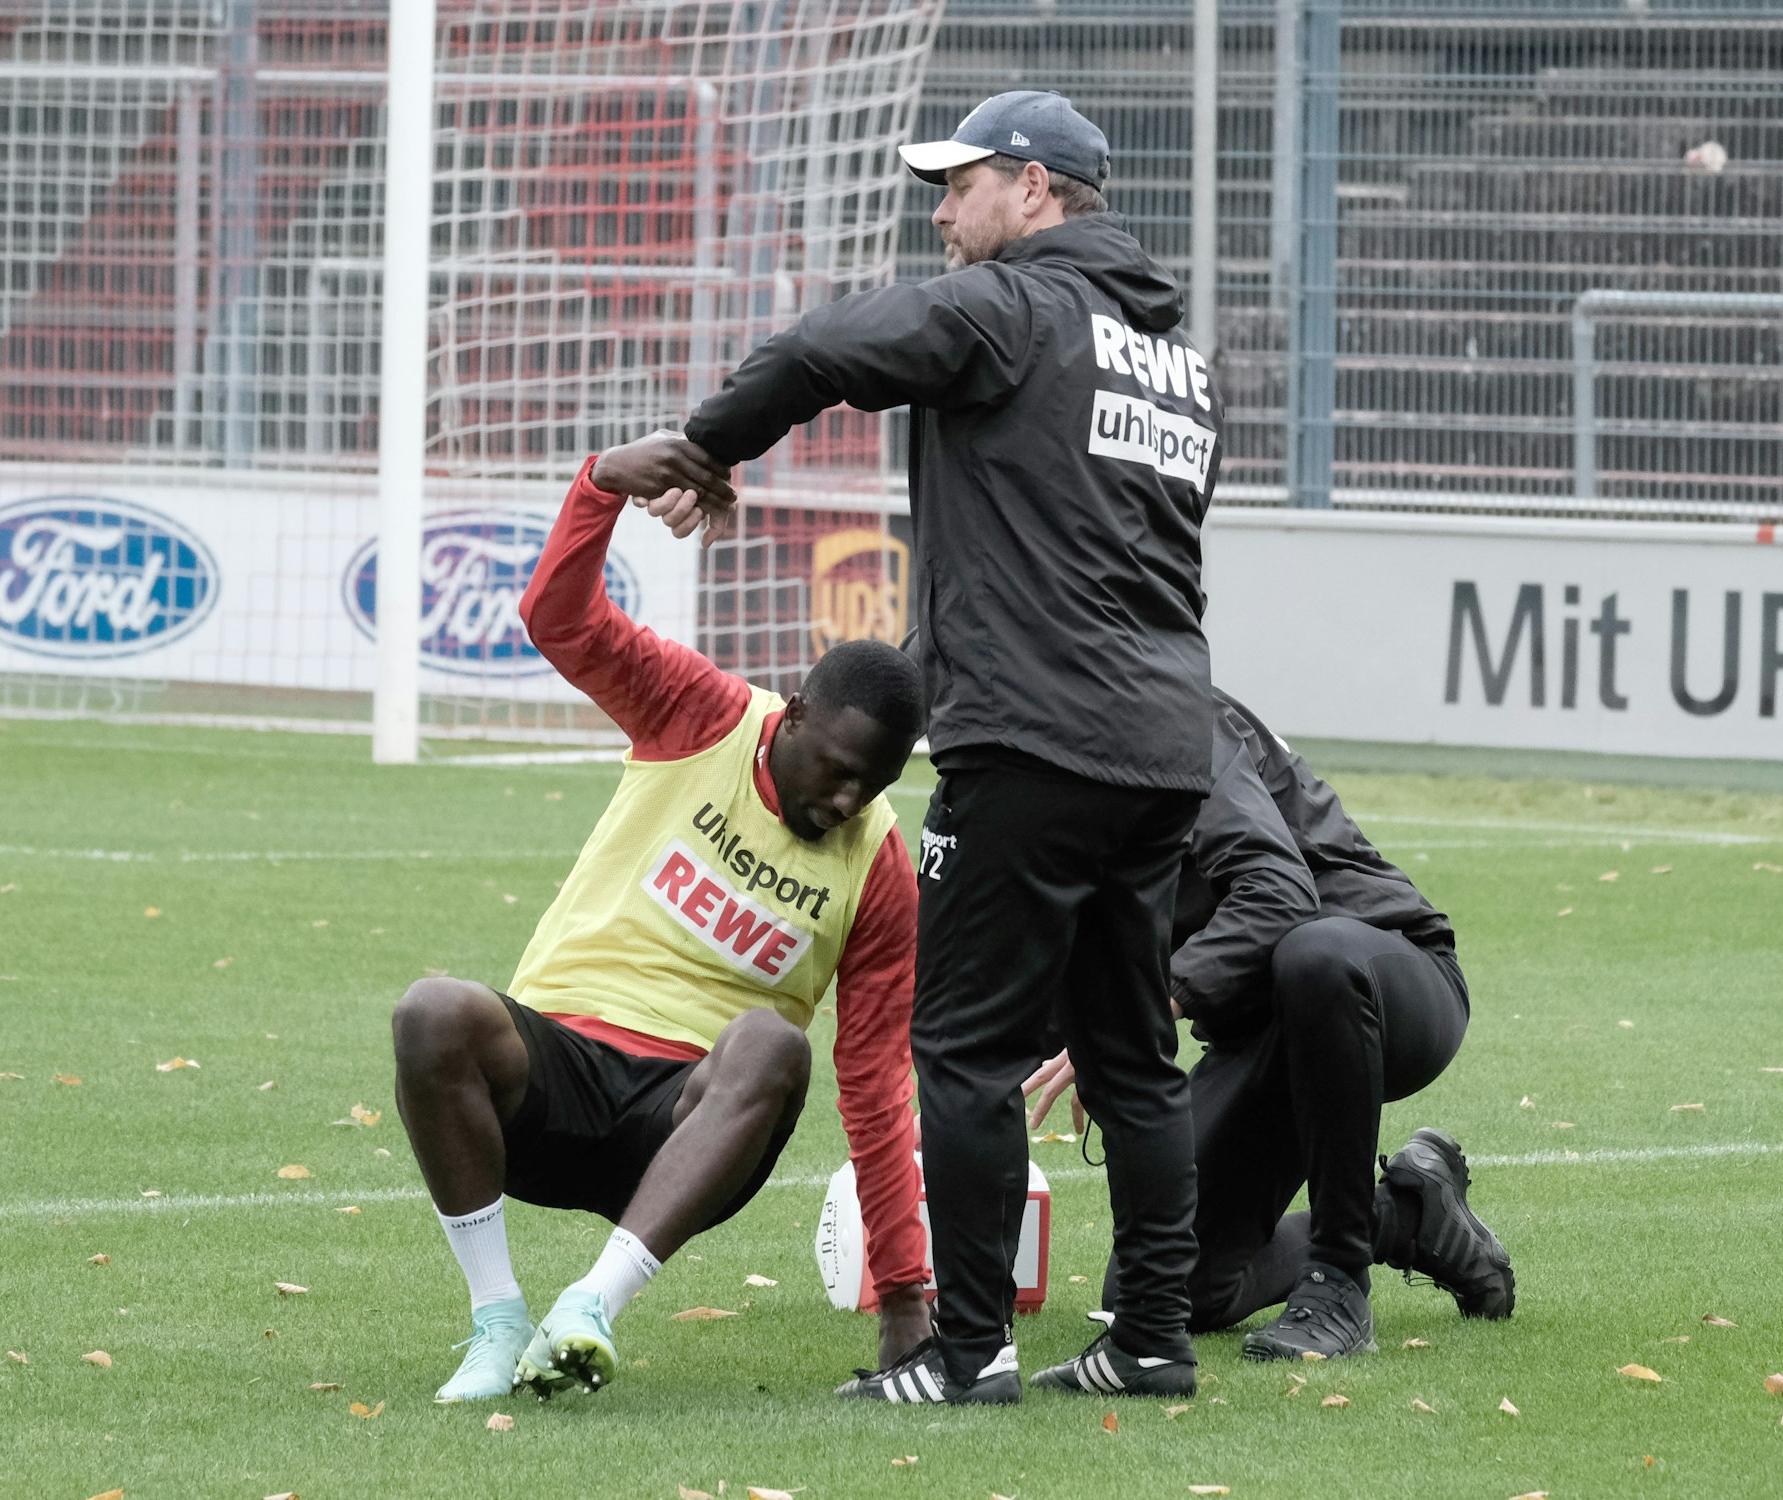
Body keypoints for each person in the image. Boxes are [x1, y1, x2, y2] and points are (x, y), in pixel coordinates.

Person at [649, 91, 1225, 1405]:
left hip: (1031, 737)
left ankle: (965, 1355)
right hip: (1162, 746)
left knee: (962, 1050)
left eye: (956, 184)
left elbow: (825, 343)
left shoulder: (1006, 310)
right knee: (1132, 1057)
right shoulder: (1182, 363)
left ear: (1033, 191)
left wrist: (707, 446)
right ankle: (1149, 1341)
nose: (938, 209)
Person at [392, 432, 933, 1404]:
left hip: (686, 1128)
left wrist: (900, 1290)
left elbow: (875, 1082)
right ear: (793, 713)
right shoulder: (702, 715)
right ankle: (496, 1321)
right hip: (552, 1083)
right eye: (840, 771)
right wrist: (596, 484)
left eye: (877, 784)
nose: (850, 801)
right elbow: (558, 619)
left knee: (772, 1043)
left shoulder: (880, 868)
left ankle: (588, 1309)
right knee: (433, 1011)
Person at [1023, 689, 1514, 1371]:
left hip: (1381, 976)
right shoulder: (1048, 761)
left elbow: (1280, 892)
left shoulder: (1164, 716)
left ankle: (1341, 1286)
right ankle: (1404, 1216)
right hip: (1259, 1031)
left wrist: (1144, 1008)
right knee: (1168, 1283)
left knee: (1313, 956)